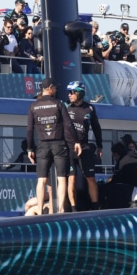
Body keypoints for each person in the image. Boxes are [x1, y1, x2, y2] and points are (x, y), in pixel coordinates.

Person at [27, 78, 81, 214]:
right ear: (49, 88)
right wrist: (76, 142)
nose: (56, 90)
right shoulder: (58, 104)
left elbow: (29, 129)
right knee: (62, 178)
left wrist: (29, 149)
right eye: (55, 88)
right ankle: (61, 209)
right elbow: (68, 124)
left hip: (42, 145)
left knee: (41, 180)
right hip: (58, 144)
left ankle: (39, 210)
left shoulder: (33, 106)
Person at [65, 81, 103, 210]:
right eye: (68, 92)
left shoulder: (90, 108)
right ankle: (73, 210)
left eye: (72, 92)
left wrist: (100, 146)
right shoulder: (66, 107)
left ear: (79, 93)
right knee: (72, 179)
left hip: (85, 147)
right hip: (69, 148)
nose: (69, 95)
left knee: (91, 178)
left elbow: (96, 128)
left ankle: (95, 207)